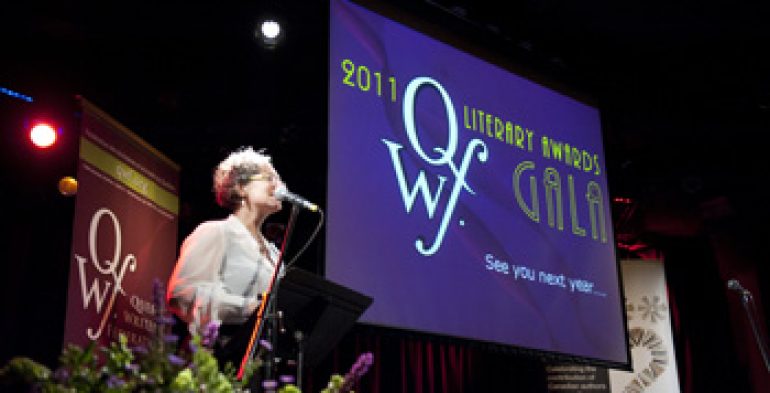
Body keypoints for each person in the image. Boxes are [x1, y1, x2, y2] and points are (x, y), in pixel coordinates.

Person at [166, 146, 285, 368]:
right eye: (270, 178)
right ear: (241, 187)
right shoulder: (216, 232)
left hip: (257, 366)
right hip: (214, 359)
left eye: (279, 180)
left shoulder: (275, 255)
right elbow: (182, 294)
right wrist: (249, 308)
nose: (279, 187)